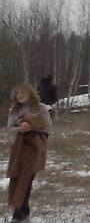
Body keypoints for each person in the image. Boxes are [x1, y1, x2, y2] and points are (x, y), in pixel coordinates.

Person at [6, 83, 51, 222]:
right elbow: (9, 128)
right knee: (17, 178)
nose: (20, 95)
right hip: (18, 149)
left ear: (30, 93)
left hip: (34, 149)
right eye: (17, 93)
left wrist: (32, 127)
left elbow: (48, 128)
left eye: (23, 92)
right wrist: (20, 128)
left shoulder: (41, 108)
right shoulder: (14, 110)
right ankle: (23, 213)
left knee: (26, 179)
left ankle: (18, 215)